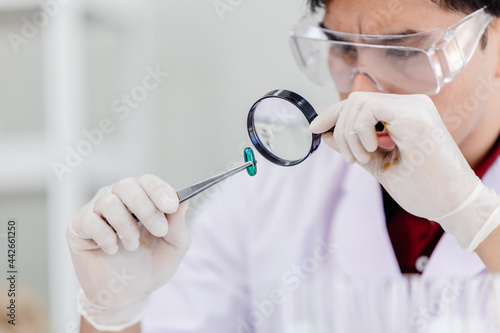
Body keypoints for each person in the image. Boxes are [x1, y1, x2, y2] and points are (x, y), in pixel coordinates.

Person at [67, 0, 500, 331]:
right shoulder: (269, 196)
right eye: (344, 49)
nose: (362, 89)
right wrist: (114, 311)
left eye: (404, 52)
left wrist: (474, 216)